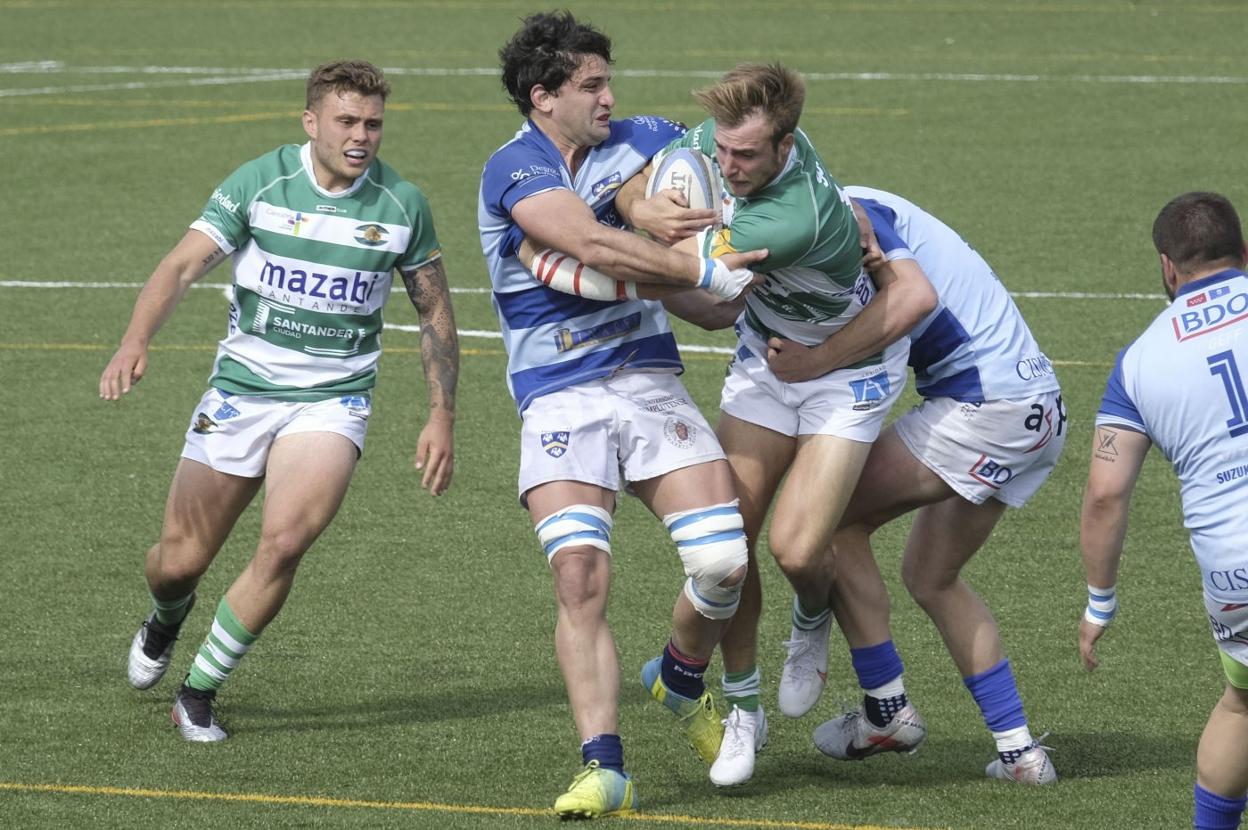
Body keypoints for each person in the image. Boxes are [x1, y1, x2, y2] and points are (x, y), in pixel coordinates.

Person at [101, 59, 459, 742]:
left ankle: (199, 691)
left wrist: (441, 414)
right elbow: (181, 264)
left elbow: (434, 313)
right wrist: (134, 341)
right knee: (178, 560)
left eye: (374, 124)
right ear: (312, 121)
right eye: (348, 121)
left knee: (286, 540)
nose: (362, 136)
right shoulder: (260, 183)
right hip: (241, 390)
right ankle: (166, 617)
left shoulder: (402, 205)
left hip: (332, 399)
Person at [477, 12, 767, 819]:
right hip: (560, 394)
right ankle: (604, 766)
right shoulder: (515, 168)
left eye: (609, 80)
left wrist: (676, 238)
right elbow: (592, 246)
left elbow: (666, 186)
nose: (610, 97)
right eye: (591, 85)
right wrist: (693, 265)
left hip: (646, 381)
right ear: (543, 97)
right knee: (579, 576)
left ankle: (678, 675)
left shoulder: (644, 135)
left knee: (723, 565)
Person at [625, 67, 937, 788]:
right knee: (730, 537)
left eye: (745, 158)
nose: (728, 168)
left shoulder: (785, 219)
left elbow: (682, 275)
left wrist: (588, 249)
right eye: (723, 153)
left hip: (845, 374)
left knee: (798, 551)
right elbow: (656, 154)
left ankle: (810, 616)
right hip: (768, 362)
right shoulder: (729, 137)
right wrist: (648, 198)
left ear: (785, 146)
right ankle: (742, 709)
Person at [766, 186, 1065, 784]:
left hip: (985, 406)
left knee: (828, 520)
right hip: (1040, 408)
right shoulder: (863, 202)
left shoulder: (842, 213)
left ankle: (886, 708)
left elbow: (899, 309)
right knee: (932, 577)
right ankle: (1021, 754)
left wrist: (810, 364)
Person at [1080, 192, 1248, 828]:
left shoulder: (1139, 362)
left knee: (1242, 704)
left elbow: (1104, 493)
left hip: (1235, 571)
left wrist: (1100, 602)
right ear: (1245, 253)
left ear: (1167, 269)